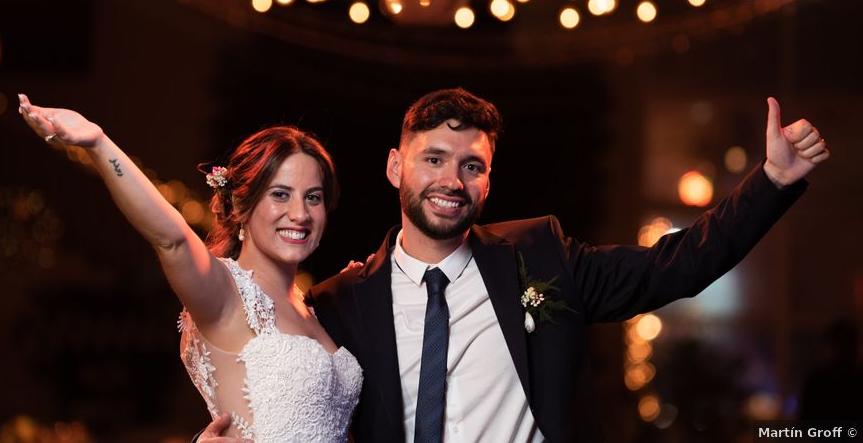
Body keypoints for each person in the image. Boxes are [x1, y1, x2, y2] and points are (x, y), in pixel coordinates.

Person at [200, 88, 829, 443]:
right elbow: (285, 390)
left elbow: (678, 267)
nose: (452, 179)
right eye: (435, 159)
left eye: (471, 165)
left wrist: (772, 181)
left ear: (488, 181)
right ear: (397, 168)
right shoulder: (341, 303)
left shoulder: (541, 257)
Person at [17, 94, 363, 442]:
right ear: (241, 205)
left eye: (313, 197)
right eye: (280, 195)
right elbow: (172, 239)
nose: (300, 214)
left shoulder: (315, 308)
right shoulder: (225, 291)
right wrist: (98, 143)